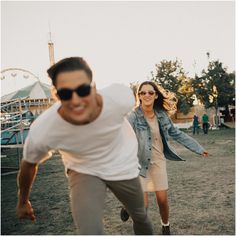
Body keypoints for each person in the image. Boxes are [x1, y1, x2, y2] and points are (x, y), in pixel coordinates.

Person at [16, 57, 153, 235]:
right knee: (89, 232)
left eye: (82, 90)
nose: (76, 100)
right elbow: (29, 164)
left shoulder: (119, 98)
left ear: (94, 88)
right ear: (56, 95)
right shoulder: (45, 129)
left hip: (122, 165)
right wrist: (23, 200)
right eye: (65, 94)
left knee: (140, 216)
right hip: (84, 170)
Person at [120, 81, 208, 235]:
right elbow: (120, 135)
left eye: (150, 92)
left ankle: (165, 225)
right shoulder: (133, 116)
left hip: (158, 161)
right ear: (138, 96)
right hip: (138, 163)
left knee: (162, 200)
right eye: (143, 92)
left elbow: (177, 134)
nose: (146, 95)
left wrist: (198, 149)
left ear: (155, 96)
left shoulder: (161, 115)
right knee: (143, 206)